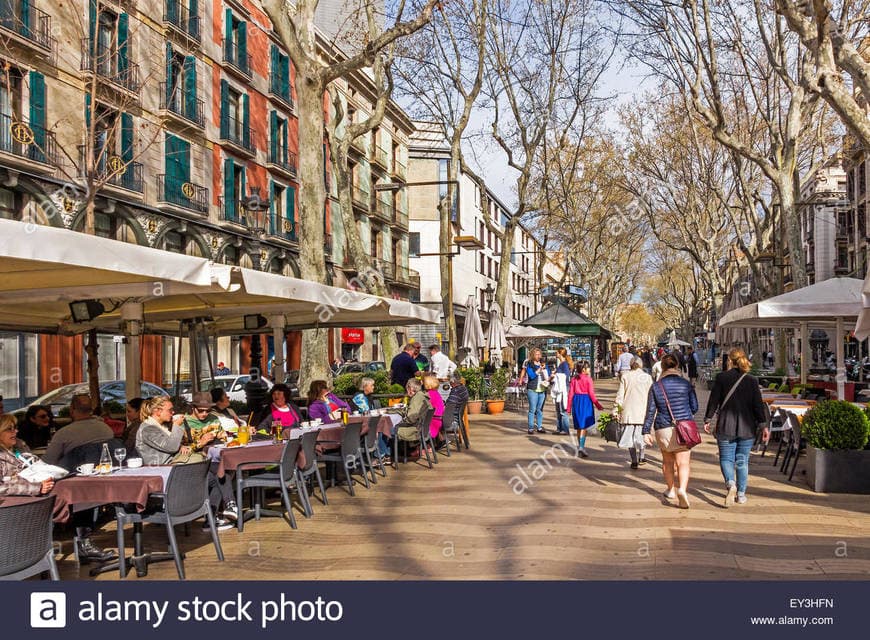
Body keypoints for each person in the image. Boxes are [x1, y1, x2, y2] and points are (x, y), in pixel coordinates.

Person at [0, 414, 117, 562]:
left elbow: (35, 464)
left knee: (78, 491)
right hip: (17, 503)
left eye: (15, 428)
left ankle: (84, 543)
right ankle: (60, 548)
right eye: (9, 429)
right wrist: (35, 488)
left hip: (40, 492)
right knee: (67, 495)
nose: (15, 432)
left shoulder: (19, 446)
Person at [136, 397, 234, 529]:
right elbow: (170, 446)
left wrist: (180, 446)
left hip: (177, 470)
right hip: (166, 476)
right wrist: (176, 427)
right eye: (170, 410)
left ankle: (216, 515)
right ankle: (221, 511)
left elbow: (170, 446)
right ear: (158, 411)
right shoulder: (148, 429)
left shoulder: (160, 427)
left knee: (221, 474)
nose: (173, 412)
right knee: (218, 471)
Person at [703, 348, 769, 507]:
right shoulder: (752, 380)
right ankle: (741, 494)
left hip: (726, 425)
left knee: (726, 458)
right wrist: (764, 425)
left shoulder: (721, 378)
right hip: (747, 428)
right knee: (742, 460)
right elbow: (758, 406)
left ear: (729, 361)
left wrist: (707, 419)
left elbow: (714, 400)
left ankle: (731, 483)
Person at [642, 354, 699, 509]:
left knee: (668, 461)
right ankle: (682, 489)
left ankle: (670, 490)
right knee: (683, 462)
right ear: (677, 365)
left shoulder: (656, 386)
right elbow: (695, 407)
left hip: (663, 428)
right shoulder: (686, 384)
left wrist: (646, 430)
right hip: (684, 428)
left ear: (663, 367)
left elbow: (650, 411)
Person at [42, 394, 115, 467]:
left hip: (74, 474)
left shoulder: (64, 433)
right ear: (92, 409)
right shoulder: (106, 428)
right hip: (105, 471)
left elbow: (47, 462)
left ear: (71, 409)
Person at [614, 356, 653, 469]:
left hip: (629, 412)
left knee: (630, 437)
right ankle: (642, 456)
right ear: (641, 365)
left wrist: (616, 409)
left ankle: (634, 460)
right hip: (643, 411)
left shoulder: (626, 376)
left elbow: (620, 395)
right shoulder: (647, 377)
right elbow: (651, 396)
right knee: (641, 435)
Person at [567, 361, 603, 458]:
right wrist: (598, 405)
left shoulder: (574, 379)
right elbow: (591, 394)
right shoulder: (588, 379)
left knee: (579, 426)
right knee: (584, 426)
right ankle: (581, 447)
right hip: (586, 402)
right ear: (584, 369)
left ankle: (580, 445)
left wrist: (568, 408)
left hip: (576, 402)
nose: (589, 369)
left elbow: (570, 394)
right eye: (588, 368)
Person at [392, 378, 433, 447]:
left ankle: (384, 455)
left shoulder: (417, 398)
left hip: (415, 431)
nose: (406, 391)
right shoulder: (422, 396)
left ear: (410, 389)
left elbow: (411, 418)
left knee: (387, 429)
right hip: (421, 429)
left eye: (407, 389)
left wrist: (400, 422)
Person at [524, 349, 550, 435]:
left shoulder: (544, 365)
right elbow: (531, 376)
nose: (538, 356)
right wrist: (539, 369)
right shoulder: (529, 365)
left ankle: (539, 427)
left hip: (542, 390)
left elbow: (548, 376)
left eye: (539, 354)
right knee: (532, 409)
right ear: (533, 355)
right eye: (536, 354)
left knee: (539, 410)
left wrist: (547, 371)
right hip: (532, 389)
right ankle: (531, 428)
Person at [552, 348, 573, 434]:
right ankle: (559, 428)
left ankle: (565, 429)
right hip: (559, 388)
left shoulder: (564, 364)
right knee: (558, 409)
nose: (555, 353)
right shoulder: (561, 364)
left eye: (556, 352)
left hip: (563, 388)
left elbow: (566, 375)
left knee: (563, 409)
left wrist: (556, 375)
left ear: (560, 354)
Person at [422, 374, 445, 444]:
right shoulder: (436, 393)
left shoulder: (429, 394)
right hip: (439, 418)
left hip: (433, 420)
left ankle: (421, 447)